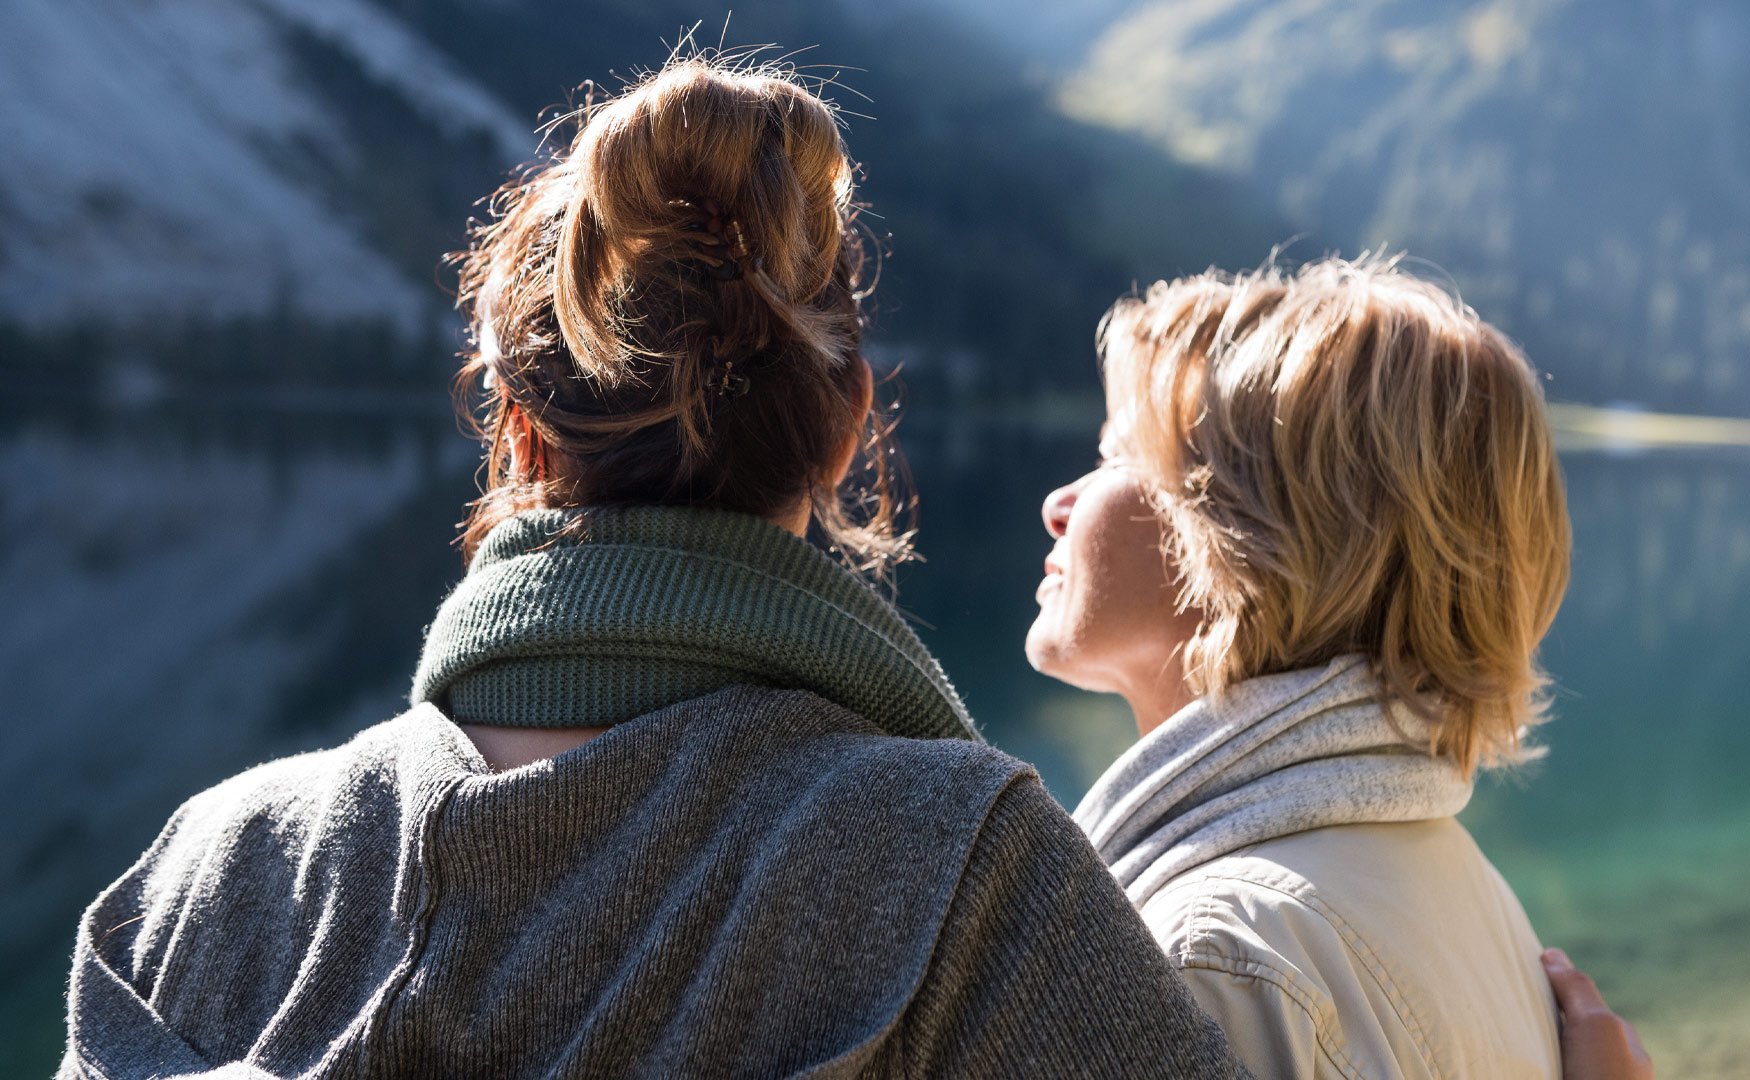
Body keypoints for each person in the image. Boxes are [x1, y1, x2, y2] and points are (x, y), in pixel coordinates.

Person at [63, 53, 1644, 1079]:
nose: (1058, 501)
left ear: (515, 427)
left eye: (1120, 461)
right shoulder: (971, 875)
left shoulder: (198, 880)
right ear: (846, 436)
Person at [1028, 256, 1652, 1078]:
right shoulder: (1466, 885)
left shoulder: (1215, 962)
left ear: (1250, 539)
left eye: (1117, 456)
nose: (1058, 504)